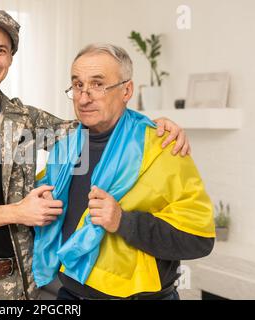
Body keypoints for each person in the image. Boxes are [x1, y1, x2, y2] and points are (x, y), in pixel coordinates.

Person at [0, 9, 191, 300]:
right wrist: (17, 212)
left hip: (21, 290)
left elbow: (92, 127)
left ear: (10, 58)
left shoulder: (26, 122)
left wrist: (152, 126)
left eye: (0, 50)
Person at [33, 43, 215, 300]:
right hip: (69, 295)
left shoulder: (162, 147)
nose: (84, 98)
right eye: (77, 85)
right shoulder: (64, 147)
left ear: (126, 90)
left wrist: (123, 221)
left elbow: (199, 240)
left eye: (98, 84)